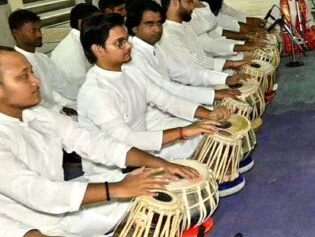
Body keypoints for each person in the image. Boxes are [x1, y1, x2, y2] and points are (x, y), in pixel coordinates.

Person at [0, 46, 198, 237]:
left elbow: (96, 143)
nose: (36, 81)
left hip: (66, 210)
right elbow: (39, 192)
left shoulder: (38, 115)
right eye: (23, 76)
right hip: (28, 235)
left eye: (32, 72)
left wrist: (159, 163)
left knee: (151, 184)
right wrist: (116, 189)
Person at [77, 14, 229, 174]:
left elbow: (167, 100)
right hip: (114, 170)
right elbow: (126, 140)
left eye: (127, 39)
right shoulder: (95, 92)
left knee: (207, 134)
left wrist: (209, 115)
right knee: (195, 141)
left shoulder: (130, 71)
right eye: (120, 43)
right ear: (98, 49)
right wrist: (183, 131)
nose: (129, 46)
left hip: (143, 150)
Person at [126, 0, 240, 109]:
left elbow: (186, 72)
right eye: (149, 24)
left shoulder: (155, 47)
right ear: (135, 28)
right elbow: (167, 89)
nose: (157, 29)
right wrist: (213, 95)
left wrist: (225, 79)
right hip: (158, 117)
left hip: (174, 105)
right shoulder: (134, 56)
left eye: (159, 23)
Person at [158, 0, 251, 74]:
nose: (193, 6)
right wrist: (231, 64)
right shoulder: (168, 34)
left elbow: (211, 22)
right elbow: (194, 64)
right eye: (189, 2)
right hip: (196, 81)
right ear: (175, 3)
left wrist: (196, 1)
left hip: (206, 73)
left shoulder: (185, 25)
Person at [8, 10, 80, 113]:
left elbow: (62, 86)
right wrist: (59, 109)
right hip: (36, 114)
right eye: (33, 30)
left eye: (39, 29)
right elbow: (30, 100)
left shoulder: (43, 58)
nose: (39, 34)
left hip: (55, 108)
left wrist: (82, 94)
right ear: (15, 34)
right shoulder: (14, 64)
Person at [49, 3, 99, 86]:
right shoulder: (71, 50)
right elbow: (81, 84)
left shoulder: (86, 39)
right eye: (96, 22)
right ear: (80, 23)